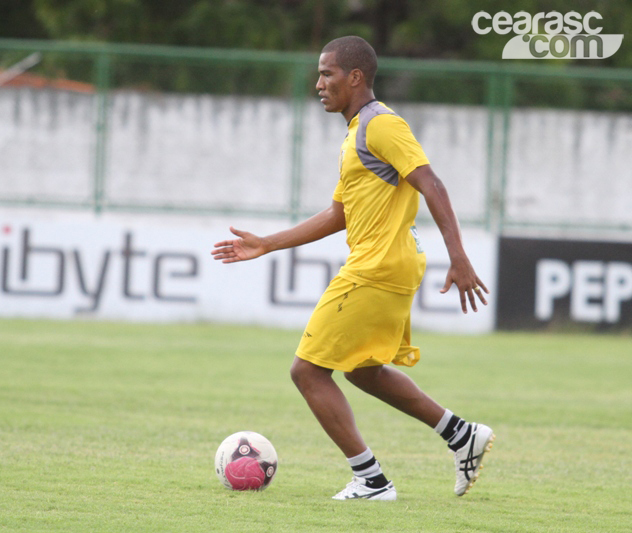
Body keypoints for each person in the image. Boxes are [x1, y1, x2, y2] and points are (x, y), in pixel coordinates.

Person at [211, 36, 494, 500]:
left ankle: (371, 480)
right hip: (391, 263)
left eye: (327, 74)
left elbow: (432, 183)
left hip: (377, 267)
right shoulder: (356, 132)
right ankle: (461, 435)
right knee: (363, 371)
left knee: (306, 371)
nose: (318, 83)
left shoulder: (381, 124)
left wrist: (459, 257)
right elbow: (337, 214)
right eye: (319, 74)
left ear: (355, 77)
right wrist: (267, 244)